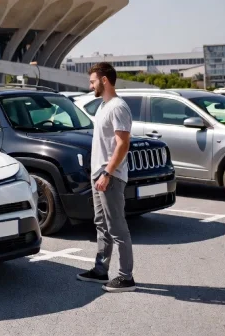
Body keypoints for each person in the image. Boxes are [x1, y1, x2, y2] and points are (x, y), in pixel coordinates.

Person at [77, 62, 136, 292]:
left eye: (92, 81)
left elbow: (123, 144)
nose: (90, 85)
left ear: (104, 80)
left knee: (117, 227)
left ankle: (126, 277)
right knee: (101, 224)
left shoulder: (118, 107)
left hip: (110, 177)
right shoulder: (102, 106)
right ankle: (101, 270)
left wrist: (107, 173)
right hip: (99, 176)